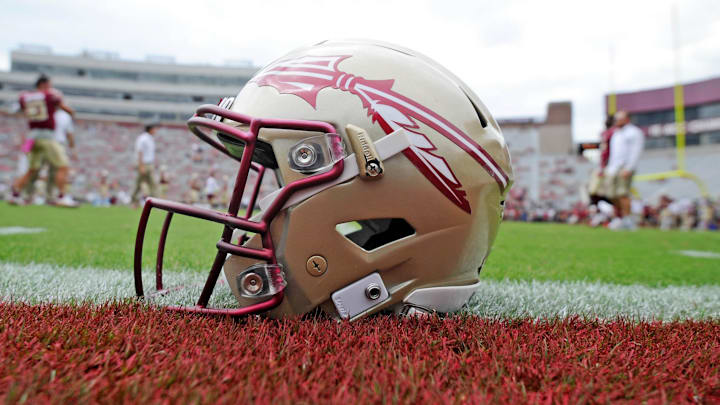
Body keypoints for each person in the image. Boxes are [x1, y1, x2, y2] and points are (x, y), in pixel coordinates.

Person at [10, 75, 77, 207]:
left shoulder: (25, 96)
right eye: (49, 85)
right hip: (46, 137)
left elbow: (16, 109)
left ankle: (15, 194)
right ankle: (62, 197)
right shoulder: (50, 95)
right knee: (63, 166)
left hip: (31, 137)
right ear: (44, 84)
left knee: (32, 169)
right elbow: (66, 108)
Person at [605, 110, 644, 230]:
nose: (617, 121)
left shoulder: (634, 132)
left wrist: (629, 168)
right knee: (610, 194)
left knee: (622, 194)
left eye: (619, 119)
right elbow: (614, 153)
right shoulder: (616, 133)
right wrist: (609, 168)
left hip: (625, 167)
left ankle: (628, 220)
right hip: (613, 168)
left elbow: (635, 152)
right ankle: (622, 217)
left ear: (627, 119)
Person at [587, 115, 614, 205]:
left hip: (610, 165)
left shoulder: (614, 133)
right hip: (604, 165)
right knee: (594, 190)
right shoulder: (604, 133)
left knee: (610, 192)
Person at [131, 123, 158, 206]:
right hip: (144, 164)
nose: (155, 131)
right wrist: (141, 166)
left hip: (149, 164)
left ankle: (154, 202)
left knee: (152, 183)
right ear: (150, 129)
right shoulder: (143, 138)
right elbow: (140, 152)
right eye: (154, 129)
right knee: (139, 183)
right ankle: (134, 200)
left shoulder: (150, 138)